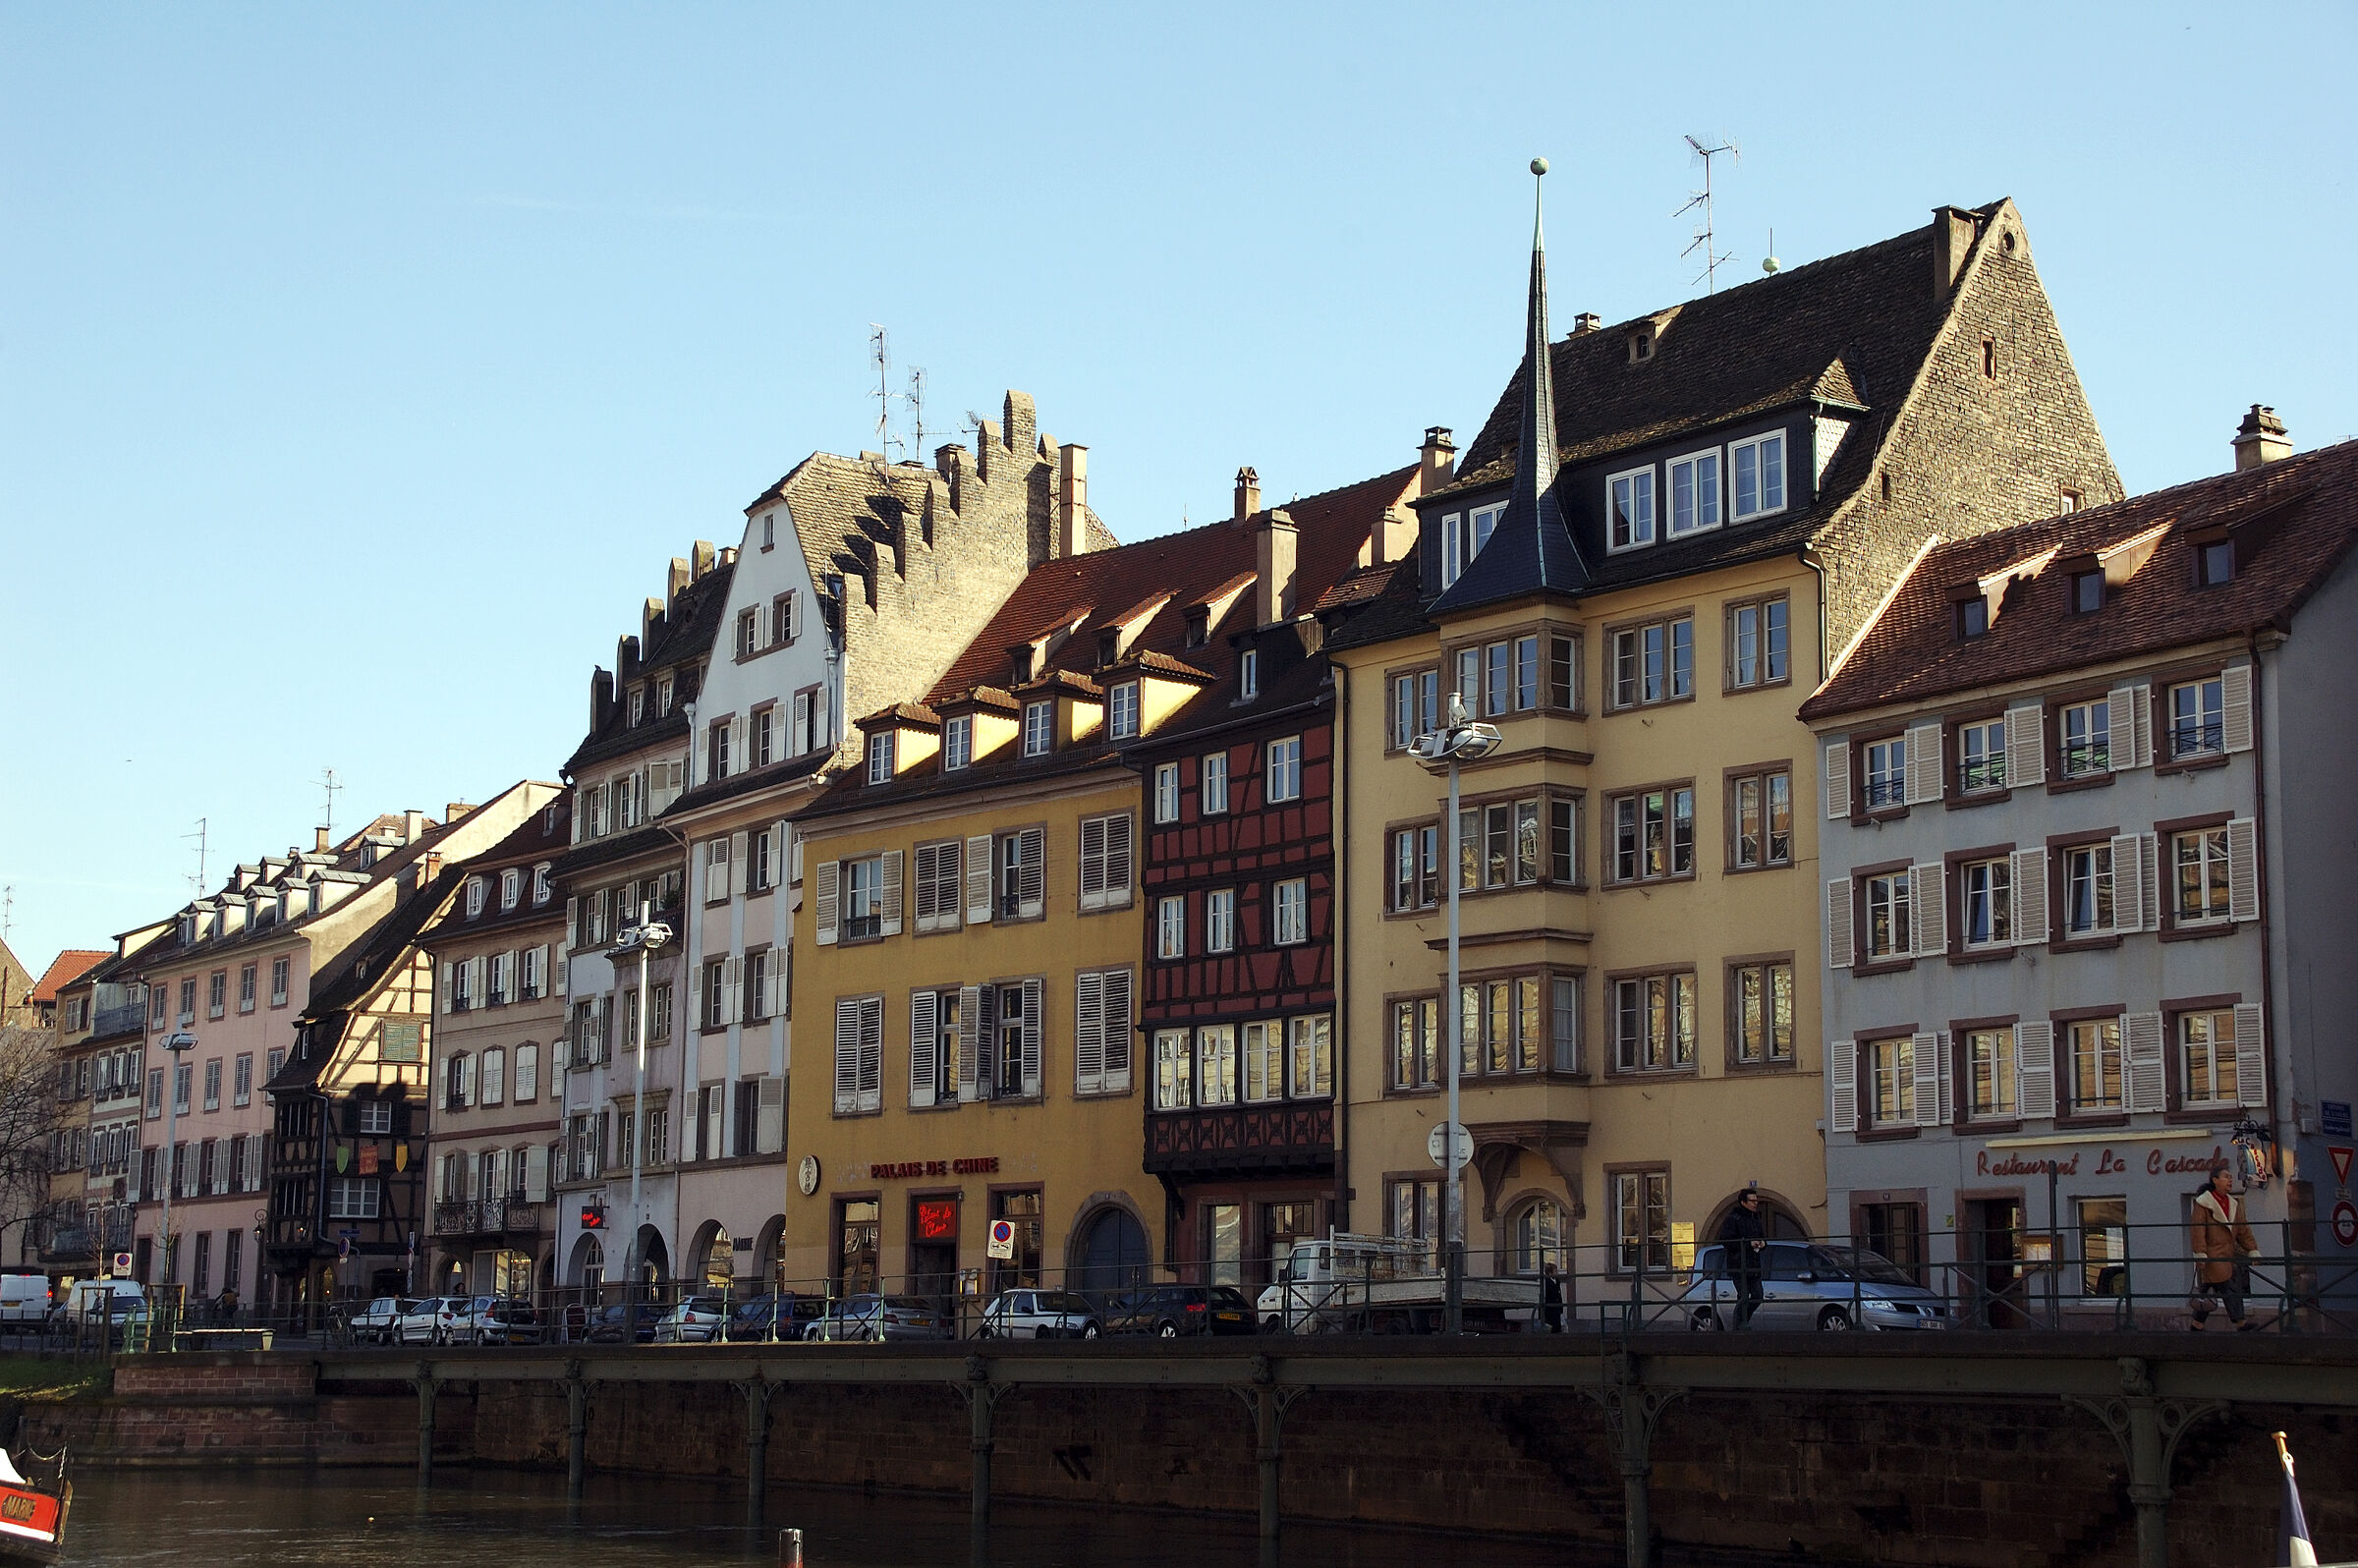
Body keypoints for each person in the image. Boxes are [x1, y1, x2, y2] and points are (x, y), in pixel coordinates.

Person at [2189, 1166, 2261, 1331]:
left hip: (2226, 1255)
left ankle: (2197, 1324)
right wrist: (2200, 1252)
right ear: (2215, 1180)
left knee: (2209, 1291)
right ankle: (2240, 1323)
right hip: (2213, 1254)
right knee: (2230, 1286)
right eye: (2226, 1177)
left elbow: (2242, 1230)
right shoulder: (2204, 1204)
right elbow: (2198, 1229)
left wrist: (2252, 1248)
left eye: (2230, 1177)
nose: (2230, 1180)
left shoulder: (2232, 1204)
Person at [1717, 1190, 1768, 1328]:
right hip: (1739, 1265)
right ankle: (1739, 1324)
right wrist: (1746, 1244)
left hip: (1754, 1264)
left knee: (1758, 1296)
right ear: (1743, 1202)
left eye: (1756, 1200)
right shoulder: (1733, 1218)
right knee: (1744, 1296)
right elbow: (1726, 1240)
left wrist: (1762, 1243)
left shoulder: (1755, 1218)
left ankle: (1742, 1322)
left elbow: (1762, 1236)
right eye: (1752, 1201)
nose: (1755, 1203)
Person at [1541, 1262, 1564, 1333]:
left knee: (1558, 1327)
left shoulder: (1557, 1281)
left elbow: (1559, 1295)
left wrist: (1561, 1308)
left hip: (1557, 1308)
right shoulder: (1547, 1283)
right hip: (1551, 1309)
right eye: (1555, 1271)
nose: (1557, 1273)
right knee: (1553, 1327)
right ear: (1550, 1273)